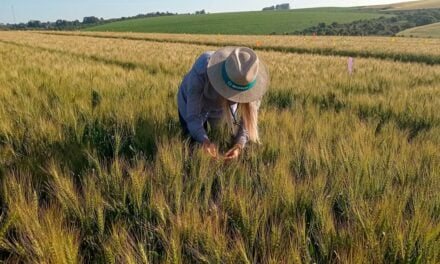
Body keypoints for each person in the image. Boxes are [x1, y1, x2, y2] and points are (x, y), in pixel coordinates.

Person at [177, 46, 269, 160]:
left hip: (220, 109)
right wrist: (205, 142)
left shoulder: (251, 82)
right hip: (191, 103)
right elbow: (193, 117)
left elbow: (247, 123)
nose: (235, 98)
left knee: (219, 134)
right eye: (233, 93)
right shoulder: (202, 71)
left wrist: (238, 146)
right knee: (192, 142)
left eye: (239, 95)